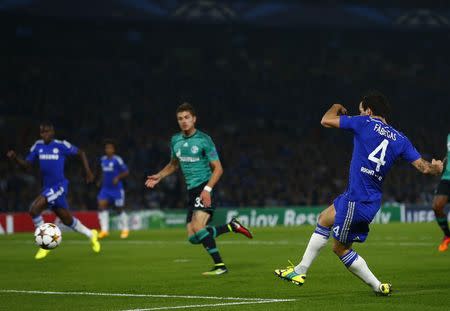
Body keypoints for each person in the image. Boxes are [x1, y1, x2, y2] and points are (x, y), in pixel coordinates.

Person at [274, 92, 443, 295]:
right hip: (365, 198)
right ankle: (300, 270)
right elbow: (424, 168)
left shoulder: (365, 122)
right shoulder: (400, 138)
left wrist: (336, 105)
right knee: (324, 219)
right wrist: (437, 167)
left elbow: (325, 120)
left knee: (340, 248)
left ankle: (377, 286)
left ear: (369, 111)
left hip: (357, 199)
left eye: (361, 110)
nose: (359, 114)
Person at [145, 103, 253, 275]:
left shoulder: (204, 140)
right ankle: (231, 227)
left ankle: (220, 266)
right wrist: (159, 176)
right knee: (193, 237)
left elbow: (218, 168)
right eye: (180, 119)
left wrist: (207, 190)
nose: (184, 121)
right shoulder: (175, 140)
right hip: (191, 191)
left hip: (204, 187)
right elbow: (174, 164)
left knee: (197, 226)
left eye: (187, 117)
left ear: (194, 119)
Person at [6, 121, 101, 259]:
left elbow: (81, 152)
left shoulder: (61, 145)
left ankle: (45, 245)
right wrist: (15, 158)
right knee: (67, 220)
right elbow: (26, 165)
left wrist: (88, 172)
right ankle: (91, 234)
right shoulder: (38, 146)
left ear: (52, 132)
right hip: (47, 187)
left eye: (47, 131)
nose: (44, 134)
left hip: (59, 186)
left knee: (34, 210)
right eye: (42, 132)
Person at [97, 139, 130, 239]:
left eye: (110, 148)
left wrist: (118, 177)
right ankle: (104, 230)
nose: (108, 150)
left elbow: (126, 171)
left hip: (116, 189)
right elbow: (103, 172)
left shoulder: (117, 159)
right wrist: (100, 180)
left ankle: (125, 229)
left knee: (119, 209)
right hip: (105, 188)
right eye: (107, 148)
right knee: (101, 206)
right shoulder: (102, 159)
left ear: (113, 150)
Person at [432, 133, 450, 252]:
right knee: (437, 206)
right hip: (447, 177)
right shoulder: (448, 135)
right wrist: (441, 165)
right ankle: (447, 235)